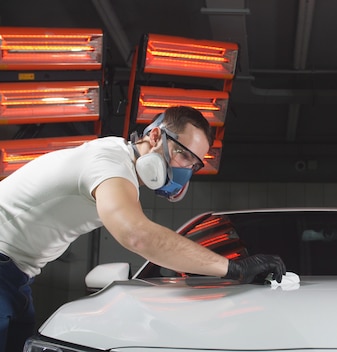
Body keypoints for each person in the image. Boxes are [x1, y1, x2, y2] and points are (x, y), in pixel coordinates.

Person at [0, 106, 286, 351]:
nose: (185, 169)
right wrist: (233, 268)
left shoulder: (118, 164)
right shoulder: (109, 164)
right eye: (183, 155)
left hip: (15, 274)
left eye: (194, 164)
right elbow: (137, 235)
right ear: (156, 135)